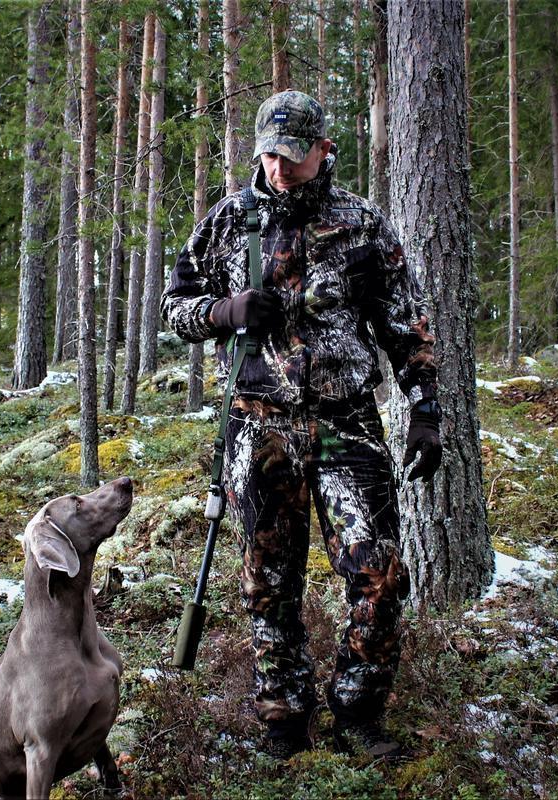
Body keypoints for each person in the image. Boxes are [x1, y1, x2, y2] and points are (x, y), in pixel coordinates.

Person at [160, 90, 442, 760]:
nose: (280, 169)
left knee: (378, 572)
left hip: (347, 421)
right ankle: (283, 720)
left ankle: (359, 716)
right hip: (256, 424)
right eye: (268, 154)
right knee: (267, 580)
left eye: (293, 156)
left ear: (323, 150)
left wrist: (425, 408)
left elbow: (406, 321)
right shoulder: (230, 220)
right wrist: (228, 311)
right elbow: (176, 309)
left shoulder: (361, 224)